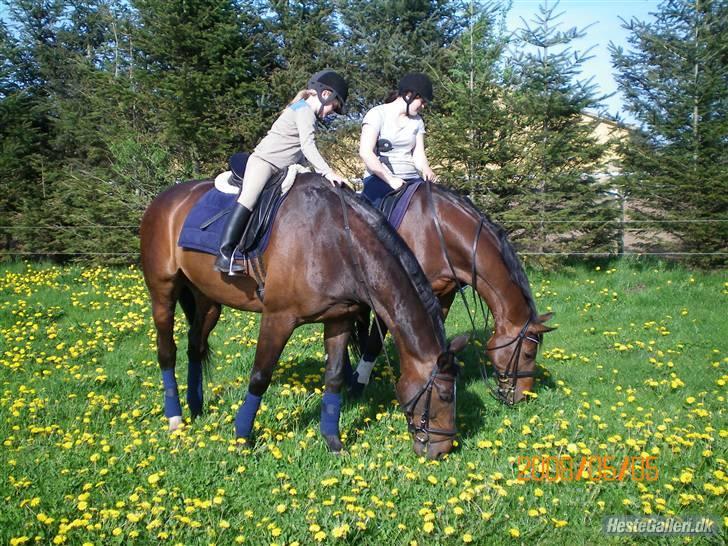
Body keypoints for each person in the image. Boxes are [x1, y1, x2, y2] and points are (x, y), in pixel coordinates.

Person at [215, 70, 349, 274]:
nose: (331, 112)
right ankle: (224, 254)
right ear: (325, 94)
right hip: (264, 162)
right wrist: (327, 172)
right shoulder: (303, 110)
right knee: (249, 199)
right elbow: (308, 146)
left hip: (284, 168)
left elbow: (299, 152)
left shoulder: (304, 110)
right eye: (334, 106)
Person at [359, 72, 438, 209]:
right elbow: (366, 152)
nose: (424, 106)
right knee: (376, 222)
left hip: (411, 179)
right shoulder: (377, 114)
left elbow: (418, 155)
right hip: (379, 179)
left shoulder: (418, 121)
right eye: (422, 101)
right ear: (409, 95)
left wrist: (426, 170)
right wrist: (391, 179)